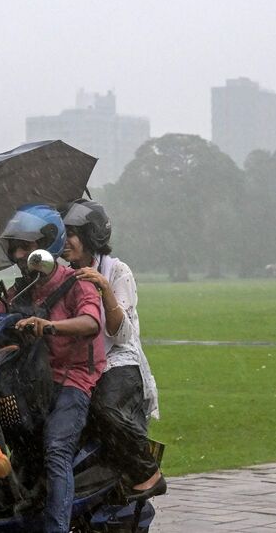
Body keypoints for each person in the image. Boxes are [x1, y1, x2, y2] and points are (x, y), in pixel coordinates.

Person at [0, 203, 106, 533]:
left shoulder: (76, 283)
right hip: (31, 382)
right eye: (15, 246)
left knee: (56, 448)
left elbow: (90, 321)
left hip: (72, 379)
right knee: (2, 435)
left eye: (25, 246)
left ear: (47, 244)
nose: (17, 253)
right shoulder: (18, 291)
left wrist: (50, 326)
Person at [59, 198, 165, 497]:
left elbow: (121, 334)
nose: (65, 241)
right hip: (80, 362)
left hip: (118, 359)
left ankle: (147, 470)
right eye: (61, 233)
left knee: (104, 408)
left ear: (92, 236)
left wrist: (103, 288)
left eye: (72, 233)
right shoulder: (63, 276)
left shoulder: (117, 272)